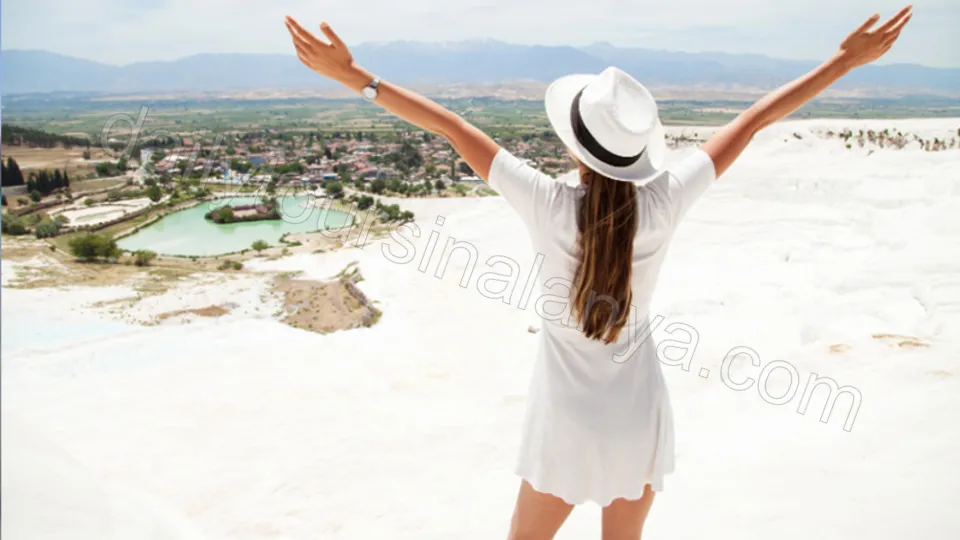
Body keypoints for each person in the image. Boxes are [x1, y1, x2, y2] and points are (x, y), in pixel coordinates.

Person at [284, 6, 912, 539]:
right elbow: (751, 121)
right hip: (638, 418)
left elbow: (451, 127)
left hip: (565, 424)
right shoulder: (664, 200)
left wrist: (355, 78)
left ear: (574, 145)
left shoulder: (547, 204)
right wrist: (842, 65)